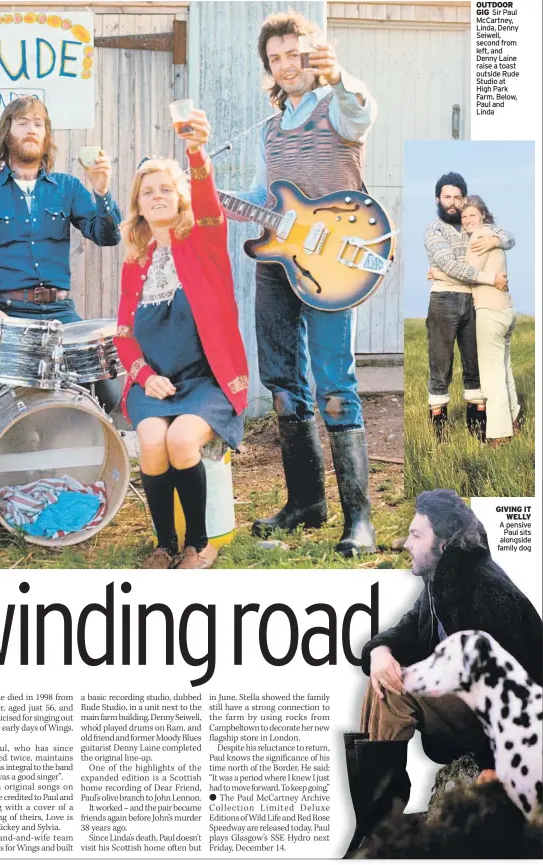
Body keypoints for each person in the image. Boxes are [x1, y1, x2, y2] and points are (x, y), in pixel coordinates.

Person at [225, 10, 379, 556]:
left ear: (314, 57)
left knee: (335, 385)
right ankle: (307, 504)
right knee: (284, 383)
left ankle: (359, 519)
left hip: (334, 264)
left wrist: (342, 79)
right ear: (268, 67)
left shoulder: (337, 106)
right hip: (277, 264)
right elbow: (262, 194)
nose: (286, 66)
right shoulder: (269, 127)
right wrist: (211, 199)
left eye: (295, 54)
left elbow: (361, 110)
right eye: (276, 59)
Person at [342, 489, 542, 855]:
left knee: (397, 689)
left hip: (516, 733)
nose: (406, 542)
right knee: (383, 681)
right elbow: (404, 631)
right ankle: (376, 825)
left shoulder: (486, 588)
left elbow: (517, 686)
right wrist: (380, 652)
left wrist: (498, 766)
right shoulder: (439, 581)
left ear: (445, 543)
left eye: (417, 535)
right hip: (472, 714)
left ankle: (380, 830)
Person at [114, 109, 248, 570]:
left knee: (182, 441)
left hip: (208, 382)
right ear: (138, 204)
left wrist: (194, 149)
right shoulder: (136, 261)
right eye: (147, 192)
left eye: (165, 189)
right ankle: (165, 544)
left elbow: (208, 197)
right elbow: (124, 335)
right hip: (157, 385)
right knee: (152, 439)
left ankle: (197, 543)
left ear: (180, 198)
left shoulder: (205, 239)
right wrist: (144, 377)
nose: (156, 197)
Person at [0, 96, 122, 410]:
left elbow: (106, 236)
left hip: (61, 315)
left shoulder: (67, 187)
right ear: (8, 133)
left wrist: (102, 192)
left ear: (47, 136)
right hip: (9, 314)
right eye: (22, 123)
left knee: (106, 399)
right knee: (12, 410)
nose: (31, 130)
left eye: (38, 123)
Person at [423, 172, 514, 441]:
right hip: (444, 300)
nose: (452, 202)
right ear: (438, 198)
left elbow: (507, 235)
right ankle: (440, 436)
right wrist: (492, 279)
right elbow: (453, 266)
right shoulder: (434, 229)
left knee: (473, 366)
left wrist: (498, 240)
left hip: (473, 300)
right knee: (441, 366)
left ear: (464, 199)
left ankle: (478, 431)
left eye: (457, 197)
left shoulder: (470, 225)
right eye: (447, 196)